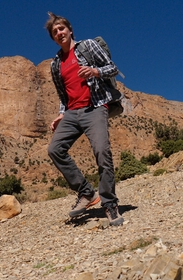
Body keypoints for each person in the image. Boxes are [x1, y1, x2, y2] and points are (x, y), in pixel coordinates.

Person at [45, 12, 124, 226]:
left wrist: (95, 71)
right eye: (55, 32)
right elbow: (64, 94)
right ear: (53, 38)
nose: (59, 33)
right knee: (55, 149)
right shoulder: (55, 64)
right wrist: (62, 113)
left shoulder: (87, 46)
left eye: (61, 29)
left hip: (95, 107)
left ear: (70, 30)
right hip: (71, 112)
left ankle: (109, 204)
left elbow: (113, 68)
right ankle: (87, 193)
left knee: (101, 151)